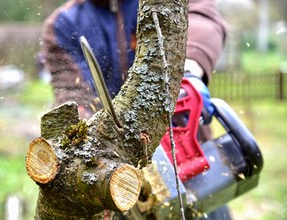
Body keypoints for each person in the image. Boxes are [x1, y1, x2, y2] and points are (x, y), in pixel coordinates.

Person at [40, 0, 229, 219]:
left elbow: (201, 18)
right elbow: (72, 95)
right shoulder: (63, 23)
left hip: (190, 160)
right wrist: (89, 133)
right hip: (121, 182)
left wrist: (187, 71)